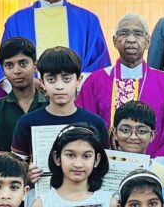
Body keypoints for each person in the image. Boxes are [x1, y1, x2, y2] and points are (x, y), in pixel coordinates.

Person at [0, 0, 111, 99]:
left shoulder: (88, 21)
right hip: (29, 100)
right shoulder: (16, 21)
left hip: (76, 101)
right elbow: (5, 66)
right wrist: (29, 83)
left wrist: (70, 85)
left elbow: (99, 68)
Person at [76, 13, 164, 158]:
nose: (131, 39)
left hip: (153, 164)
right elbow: (84, 125)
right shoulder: (96, 80)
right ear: (115, 41)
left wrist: (156, 163)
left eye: (138, 34)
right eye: (124, 33)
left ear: (148, 41)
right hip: (104, 164)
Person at [11, 47, 109, 182]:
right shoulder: (27, 123)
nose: (59, 86)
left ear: (79, 80)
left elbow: (104, 167)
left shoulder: (95, 123)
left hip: (86, 193)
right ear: (42, 82)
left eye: (66, 79)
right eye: (51, 79)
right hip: (40, 193)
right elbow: (13, 171)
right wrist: (26, 175)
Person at [0, 37, 48, 152]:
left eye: (23, 64)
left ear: (35, 66)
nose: (16, 71)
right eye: (9, 65)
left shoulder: (51, 106)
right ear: (3, 70)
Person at [110, 100, 164, 186]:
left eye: (141, 131)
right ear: (115, 132)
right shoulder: (101, 169)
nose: (133, 137)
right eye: (125, 130)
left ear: (152, 135)